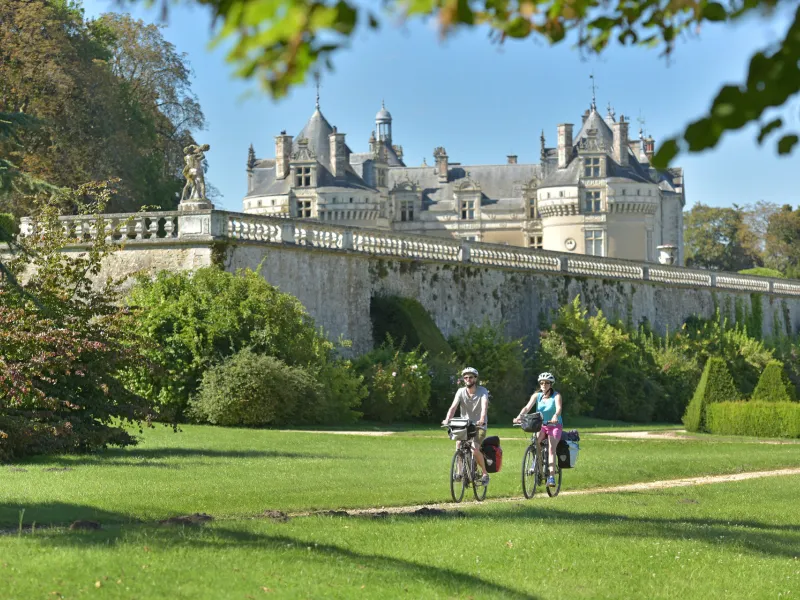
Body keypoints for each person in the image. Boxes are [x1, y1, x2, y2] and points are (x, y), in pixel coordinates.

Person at [442, 367, 490, 486]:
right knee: (458, 445)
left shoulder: (482, 391)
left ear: (475, 378)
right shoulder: (460, 391)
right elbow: (453, 407)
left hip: (479, 425)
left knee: (474, 448)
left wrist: (482, 419)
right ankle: (459, 472)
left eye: (471, 377)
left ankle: (485, 474)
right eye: (466, 377)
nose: (468, 379)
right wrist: (447, 419)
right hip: (465, 425)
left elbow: (484, 406)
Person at [513, 372, 563, 487]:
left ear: (551, 384)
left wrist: (556, 416)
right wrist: (519, 417)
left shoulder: (556, 396)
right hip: (541, 425)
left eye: (546, 383)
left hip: (554, 426)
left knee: (551, 449)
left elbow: (559, 408)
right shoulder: (537, 396)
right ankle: (536, 463)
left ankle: (551, 477)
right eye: (541, 383)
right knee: (536, 442)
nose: (544, 385)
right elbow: (527, 407)